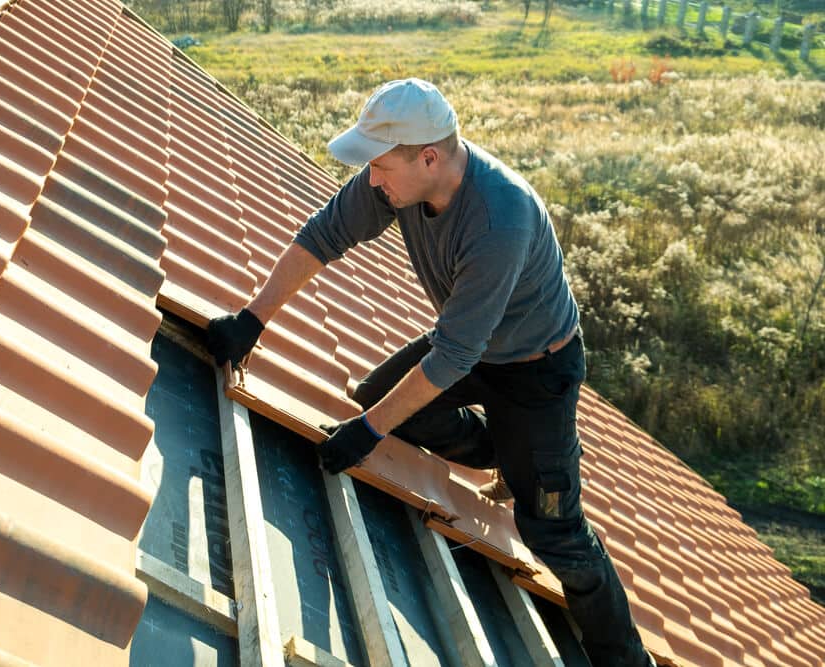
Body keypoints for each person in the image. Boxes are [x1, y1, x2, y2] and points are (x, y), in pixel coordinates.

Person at [206, 78, 655, 667]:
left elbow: (449, 360)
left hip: (536, 371)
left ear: (429, 157)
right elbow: (324, 236)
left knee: (554, 532)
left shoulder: (500, 220)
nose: (370, 179)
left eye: (380, 166)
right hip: (471, 346)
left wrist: (368, 432)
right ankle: (503, 450)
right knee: (378, 399)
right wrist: (251, 320)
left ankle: (625, 659)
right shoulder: (397, 183)